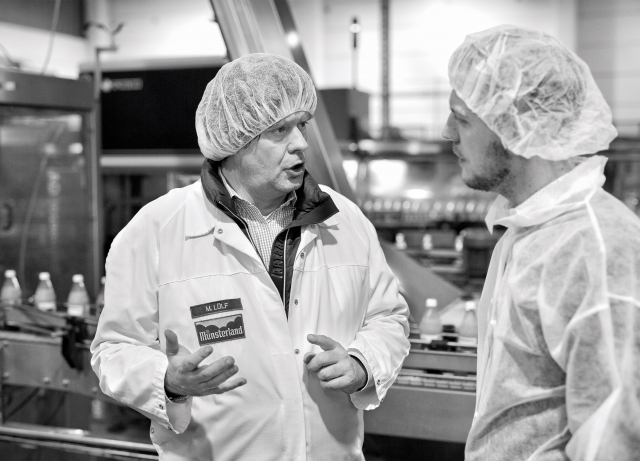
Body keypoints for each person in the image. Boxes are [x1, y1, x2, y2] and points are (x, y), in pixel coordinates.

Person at [91, 53, 410, 461]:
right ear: (235, 140)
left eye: (302, 125)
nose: (301, 143)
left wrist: (363, 364)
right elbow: (114, 349)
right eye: (280, 130)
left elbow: (389, 318)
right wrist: (168, 380)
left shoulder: (345, 220)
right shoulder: (157, 229)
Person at [442, 25, 640, 460]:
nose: (447, 132)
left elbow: (614, 442)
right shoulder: (527, 232)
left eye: (462, 118)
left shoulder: (597, 247)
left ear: (514, 127)